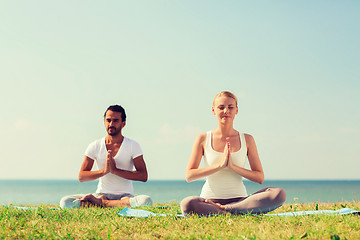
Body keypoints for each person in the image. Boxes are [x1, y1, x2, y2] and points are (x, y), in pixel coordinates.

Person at [180, 91, 286, 216]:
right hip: (209, 201)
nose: (226, 111)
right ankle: (232, 212)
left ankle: (227, 210)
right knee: (187, 204)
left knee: (278, 193)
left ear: (236, 110)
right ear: (213, 110)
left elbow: (259, 178)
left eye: (230, 107)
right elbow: (189, 175)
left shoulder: (247, 139)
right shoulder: (203, 138)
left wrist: (233, 167)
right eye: (221, 107)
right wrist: (219, 165)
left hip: (241, 201)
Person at [60, 105, 152, 208]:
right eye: (108, 120)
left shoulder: (133, 145)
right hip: (101, 195)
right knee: (65, 202)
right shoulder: (95, 145)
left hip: (125, 196)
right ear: (104, 122)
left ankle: (102, 204)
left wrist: (115, 171)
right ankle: (107, 203)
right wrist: (105, 171)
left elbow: (143, 176)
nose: (111, 124)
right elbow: (82, 176)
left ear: (123, 124)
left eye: (115, 120)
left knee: (146, 201)